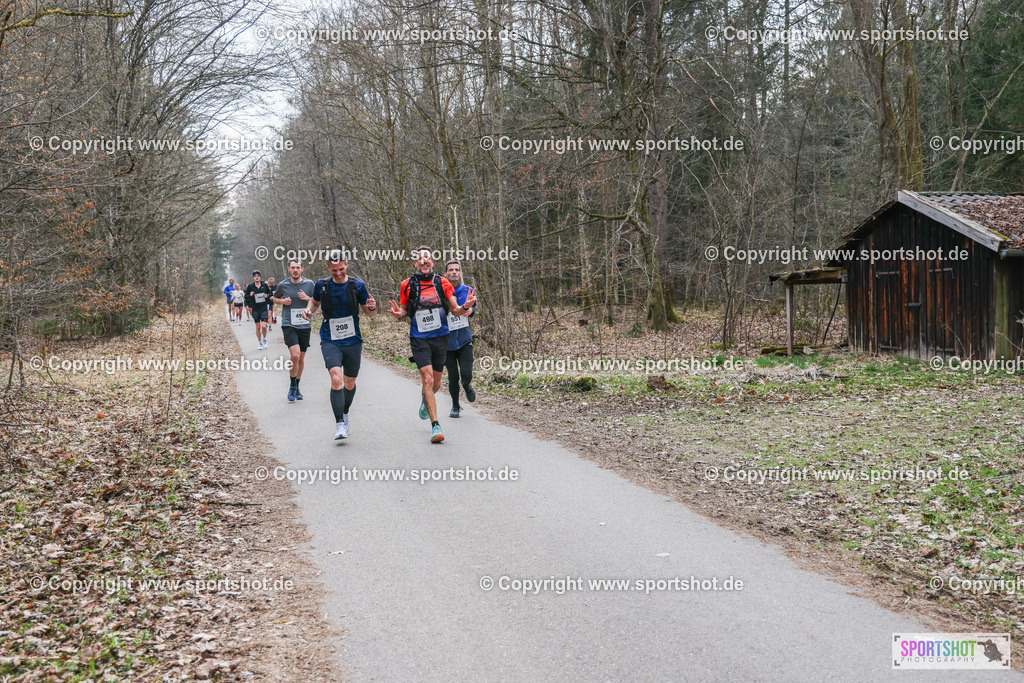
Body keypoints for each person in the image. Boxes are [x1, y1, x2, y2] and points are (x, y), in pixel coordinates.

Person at [387, 247, 476, 443]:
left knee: (435, 384)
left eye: (427, 258)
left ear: (432, 262)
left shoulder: (442, 282)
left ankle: (426, 399)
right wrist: (399, 314)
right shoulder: (406, 284)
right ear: (416, 263)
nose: (424, 261)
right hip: (419, 337)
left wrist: (466, 306)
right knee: (427, 380)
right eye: (420, 259)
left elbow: (455, 310)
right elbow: (403, 310)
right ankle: (436, 426)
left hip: (441, 336)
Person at [303, 255, 376, 440]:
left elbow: (368, 313)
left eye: (341, 269)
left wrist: (372, 308)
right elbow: (315, 303)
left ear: (346, 265)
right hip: (330, 338)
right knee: (336, 379)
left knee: (349, 382)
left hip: (352, 340)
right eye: (334, 270)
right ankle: (339, 424)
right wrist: (308, 310)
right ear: (328, 268)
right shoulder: (322, 285)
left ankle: (344, 412)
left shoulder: (357, 285)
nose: (338, 273)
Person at [272, 261, 315, 401]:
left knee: (301, 357)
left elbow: (317, 301)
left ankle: (297, 386)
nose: (295, 270)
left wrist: (307, 298)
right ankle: (291, 386)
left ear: (302, 269)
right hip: (289, 324)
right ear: (289, 269)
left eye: (298, 268)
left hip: (304, 324)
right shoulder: (283, 285)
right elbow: (274, 298)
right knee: (295, 355)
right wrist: (282, 302)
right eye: (293, 268)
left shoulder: (309, 284)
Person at [443, 260, 477, 418]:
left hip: (464, 339)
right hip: (447, 343)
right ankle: (455, 406)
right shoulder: (440, 292)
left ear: (460, 273)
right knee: (452, 376)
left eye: (457, 269)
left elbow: (473, 308)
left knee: (466, 373)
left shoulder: (468, 290)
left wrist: (471, 310)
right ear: (446, 274)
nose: (454, 272)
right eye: (451, 270)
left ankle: (467, 385)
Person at [244, 271, 272, 349]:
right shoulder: (250, 286)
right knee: (258, 327)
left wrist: (267, 295)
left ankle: (264, 339)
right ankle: (259, 342)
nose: (257, 277)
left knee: (263, 326)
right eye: (255, 276)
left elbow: (270, 294)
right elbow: (246, 297)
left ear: (260, 277)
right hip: (255, 309)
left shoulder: (264, 285)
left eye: (258, 276)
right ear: (253, 278)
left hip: (263, 308)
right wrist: (250, 295)